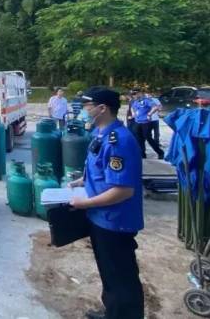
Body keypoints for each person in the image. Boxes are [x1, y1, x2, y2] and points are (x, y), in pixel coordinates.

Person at [68, 87, 144, 319]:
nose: (83, 109)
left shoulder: (119, 141)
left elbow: (123, 191)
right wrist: (81, 181)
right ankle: (112, 311)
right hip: (99, 218)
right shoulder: (100, 134)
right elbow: (100, 170)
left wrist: (85, 203)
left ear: (102, 108)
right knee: (108, 273)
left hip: (114, 221)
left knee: (121, 276)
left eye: (87, 105)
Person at [131, 88, 164, 160]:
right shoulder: (135, 101)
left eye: (135, 94)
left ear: (139, 93)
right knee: (139, 139)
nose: (133, 95)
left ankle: (160, 152)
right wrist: (133, 113)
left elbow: (155, 107)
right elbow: (132, 107)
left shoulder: (146, 100)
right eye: (132, 94)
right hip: (137, 122)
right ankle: (142, 154)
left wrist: (149, 114)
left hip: (146, 122)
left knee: (149, 138)